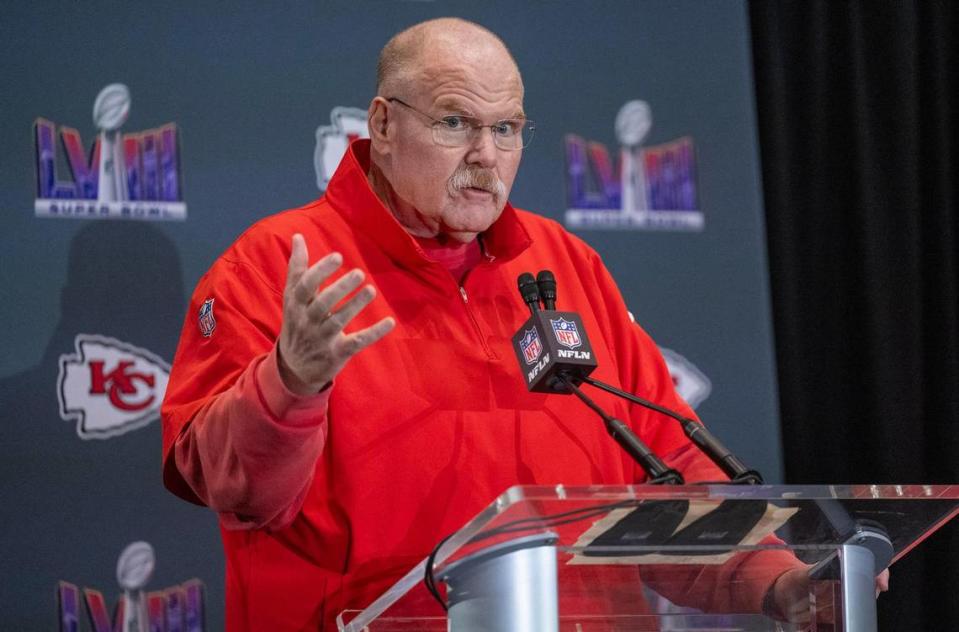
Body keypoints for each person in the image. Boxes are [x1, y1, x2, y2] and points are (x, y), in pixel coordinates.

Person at [162, 17, 842, 631]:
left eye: (507, 129)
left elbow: (666, 471)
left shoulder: (564, 266)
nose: (486, 155)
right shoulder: (280, 263)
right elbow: (229, 484)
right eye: (455, 122)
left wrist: (777, 581)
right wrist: (289, 382)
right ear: (382, 123)